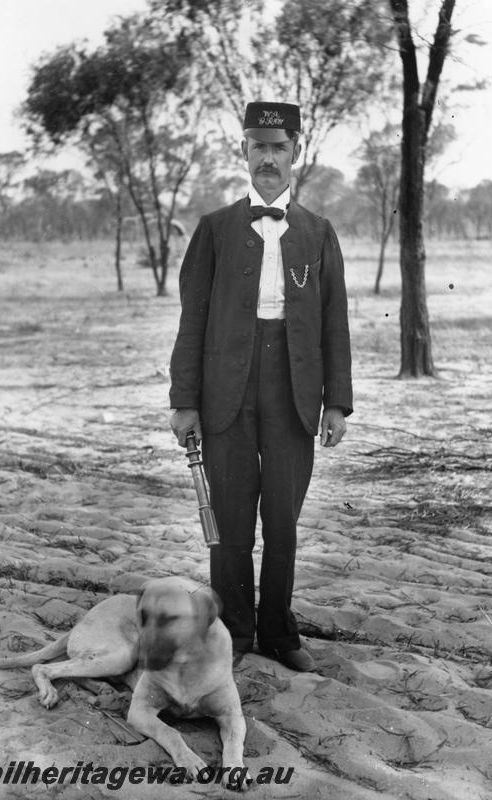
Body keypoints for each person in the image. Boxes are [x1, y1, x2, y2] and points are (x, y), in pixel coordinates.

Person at [169, 101, 352, 672]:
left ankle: (278, 630)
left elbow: (333, 322)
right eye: (258, 148)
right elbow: (191, 319)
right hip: (226, 387)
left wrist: (337, 403)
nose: (268, 158)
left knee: (282, 518)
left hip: (294, 390)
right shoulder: (215, 229)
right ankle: (234, 632)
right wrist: (184, 401)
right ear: (244, 154)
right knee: (227, 520)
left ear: (295, 154)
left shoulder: (319, 233)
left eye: (278, 148)